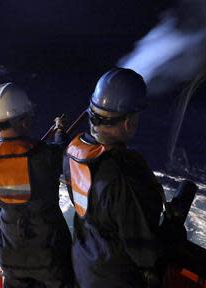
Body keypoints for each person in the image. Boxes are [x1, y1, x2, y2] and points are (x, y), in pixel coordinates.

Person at [63, 68, 164, 288]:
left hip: (84, 266)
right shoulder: (123, 176)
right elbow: (145, 252)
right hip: (113, 278)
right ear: (128, 122)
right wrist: (173, 229)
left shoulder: (73, 153)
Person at [0, 83, 74, 288]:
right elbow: (62, 150)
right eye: (28, 115)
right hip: (50, 251)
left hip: (11, 252)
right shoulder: (45, 155)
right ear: (22, 120)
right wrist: (59, 128)